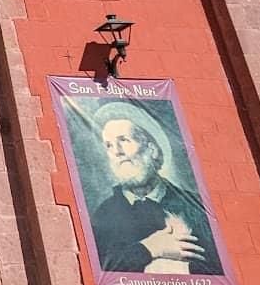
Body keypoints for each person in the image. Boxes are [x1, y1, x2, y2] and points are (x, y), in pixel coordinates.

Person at [88, 116, 222, 276]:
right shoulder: (104, 214)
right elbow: (99, 269)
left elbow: (221, 269)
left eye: (123, 140)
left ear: (151, 150)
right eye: (109, 145)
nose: (117, 151)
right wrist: (150, 248)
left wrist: (181, 269)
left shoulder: (194, 205)